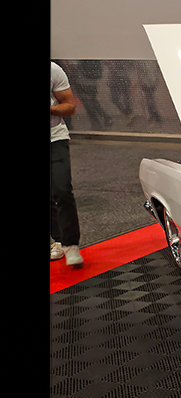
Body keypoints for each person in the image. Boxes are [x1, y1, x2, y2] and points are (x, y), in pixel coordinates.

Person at [51, 61, 84, 267]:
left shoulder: (53, 70)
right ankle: (58, 241)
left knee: (62, 189)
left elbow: (70, 106)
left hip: (55, 138)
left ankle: (71, 245)